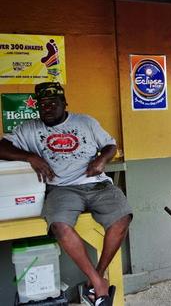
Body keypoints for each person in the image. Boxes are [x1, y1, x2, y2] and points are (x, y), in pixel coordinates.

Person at [0, 82, 132, 306]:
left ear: (64, 103)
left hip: (96, 183)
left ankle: (96, 280)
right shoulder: (28, 129)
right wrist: (31, 157)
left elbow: (110, 146)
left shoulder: (85, 122)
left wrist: (102, 159)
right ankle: (99, 285)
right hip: (62, 188)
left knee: (122, 217)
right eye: (42, 104)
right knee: (59, 226)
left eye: (53, 103)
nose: (48, 108)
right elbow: (1, 147)